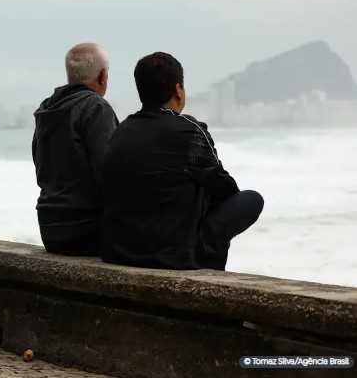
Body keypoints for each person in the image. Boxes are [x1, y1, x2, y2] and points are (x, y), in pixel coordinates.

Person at [100, 52, 264, 271]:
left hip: (119, 252)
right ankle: (206, 261)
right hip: (174, 256)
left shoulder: (121, 131)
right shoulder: (189, 131)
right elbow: (224, 188)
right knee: (251, 199)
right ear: (178, 90)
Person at [32, 43, 119, 256]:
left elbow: (38, 163)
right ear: (102, 76)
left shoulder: (47, 109)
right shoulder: (96, 107)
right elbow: (108, 173)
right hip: (87, 230)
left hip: (49, 229)